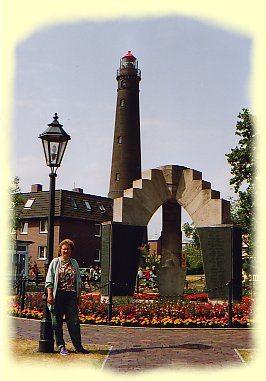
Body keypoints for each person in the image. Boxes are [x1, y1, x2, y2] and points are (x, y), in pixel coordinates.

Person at [45, 238, 89, 355]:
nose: (66, 251)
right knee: (56, 322)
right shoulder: (55, 262)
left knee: (74, 322)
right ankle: (61, 346)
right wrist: (50, 295)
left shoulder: (74, 263)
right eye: (64, 249)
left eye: (68, 249)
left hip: (71, 296)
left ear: (71, 250)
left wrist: (78, 296)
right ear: (60, 250)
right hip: (58, 295)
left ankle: (78, 347)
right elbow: (49, 280)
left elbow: (78, 280)